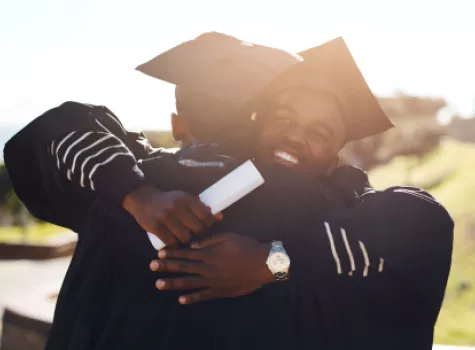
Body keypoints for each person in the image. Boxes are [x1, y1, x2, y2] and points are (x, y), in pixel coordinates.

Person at [4, 33, 453, 350]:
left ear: (334, 155)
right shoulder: (141, 179)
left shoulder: (335, 204)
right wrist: (137, 195)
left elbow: (424, 227)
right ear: (257, 123)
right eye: (284, 119)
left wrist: (271, 262)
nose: (296, 136)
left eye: (319, 132)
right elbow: (62, 129)